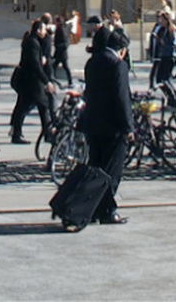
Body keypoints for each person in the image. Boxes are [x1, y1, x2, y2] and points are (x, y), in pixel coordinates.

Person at [74, 25, 133, 229]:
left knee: (97, 167)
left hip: (92, 123)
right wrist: (128, 127)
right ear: (122, 50)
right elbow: (122, 99)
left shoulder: (93, 62)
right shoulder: (118, 65)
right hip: (112, 126)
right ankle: (107, 210)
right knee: (112, 173)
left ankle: (92, 209)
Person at [10, 18, 55, 145]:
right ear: (39, 30)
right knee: (29, 107)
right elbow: (35, 64)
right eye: (44, 29)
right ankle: (18, 134)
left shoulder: (32, 41)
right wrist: (47, 81)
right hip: (31, 82)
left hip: (30, 81)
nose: (45, 32)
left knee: (40, 107)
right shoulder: (32, 43)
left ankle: (45, 133)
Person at [148, 11, 176, 88]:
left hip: (169, 56)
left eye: (162, 20)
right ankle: (169, 95)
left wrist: (161, 42)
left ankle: (174, 96)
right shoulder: (162, 29)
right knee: (159, 79)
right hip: (162, 55)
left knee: (164, 79)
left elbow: (173, 44)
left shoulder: (171, 30)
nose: (160, 21)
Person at [53, 13, 74, 86]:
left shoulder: (61, 30)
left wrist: (58, 46)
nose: (54, 22)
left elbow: (65, 41)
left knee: (57, 67)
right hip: (60, 53)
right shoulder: (60, 29)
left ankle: (70, 81)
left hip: (61, 53)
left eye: (55, 21)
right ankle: (70, 81)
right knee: (57, 67)